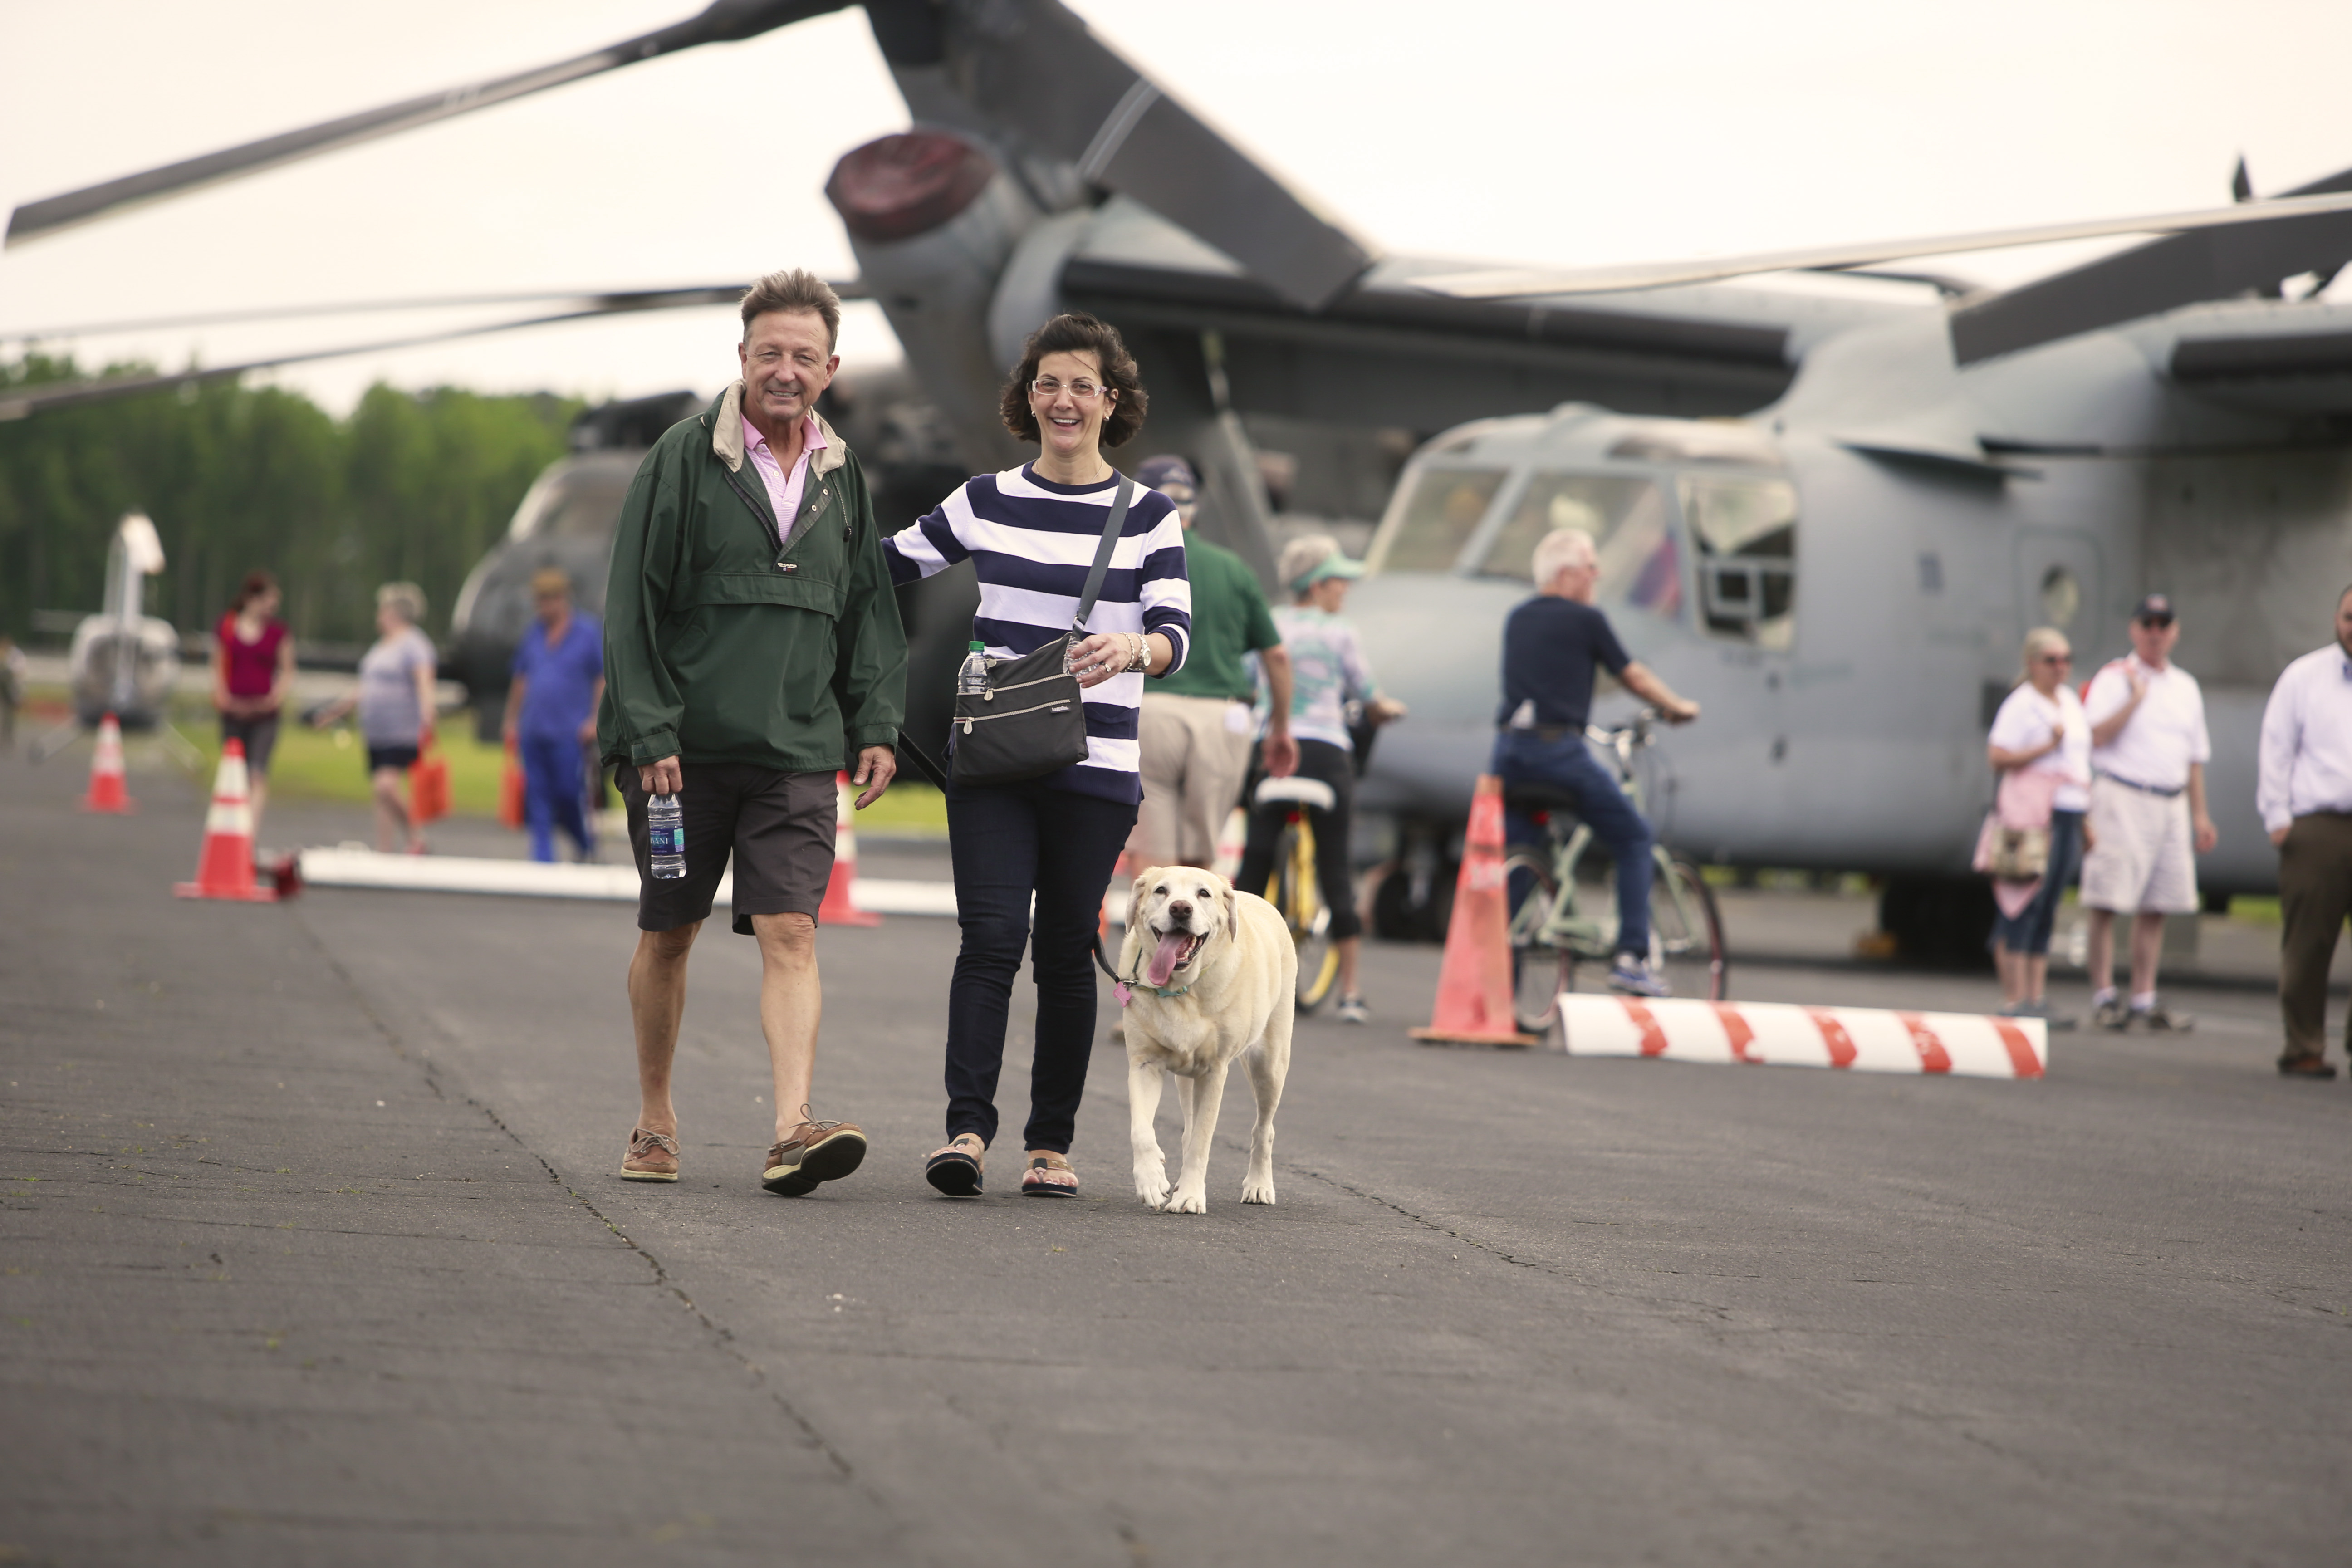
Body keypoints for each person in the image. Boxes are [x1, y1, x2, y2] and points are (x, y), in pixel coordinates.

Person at [598, 268, 906, 1195]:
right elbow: (631, 608)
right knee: (671, 933)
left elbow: (866, 609)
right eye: (768, 352)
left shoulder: (842, 478)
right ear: (741, 358)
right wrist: (649, 729)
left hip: (800, 751)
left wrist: (876, 719)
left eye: (802, 356)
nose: (784, 369)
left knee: (793, 933)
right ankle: (654, 1121)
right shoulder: (681, 459)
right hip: (678, 757)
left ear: (831, 368)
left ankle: (791, 1129)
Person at [884, 313, 1191, 1200]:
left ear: (1112, 402)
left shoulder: (1148, 517)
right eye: (1046, 383)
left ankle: (1050, 1145)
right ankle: (967, 1133)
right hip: (991, 763)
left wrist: (1136, 651)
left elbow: (1177, 633)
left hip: (1095, 771)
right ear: (1027, 399)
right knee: (989, 940)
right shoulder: (983, 500)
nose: (1063, 399)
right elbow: (888, 566)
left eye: (1081, 385)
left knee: (1064, 950)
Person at [1490, 527, 1700, 998]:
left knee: (1520, 860)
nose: (1597, 575)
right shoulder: (1586, 619)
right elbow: (1634, 676)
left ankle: (1497, 975)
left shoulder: (1518, 618)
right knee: (1633, 837)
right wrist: (1676, 706)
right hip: (1557, 751)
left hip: (1510, 753)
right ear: (1566, 574)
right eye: (1590, 567)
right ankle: (1631, 957)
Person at [1234, 535, 1404, 1024]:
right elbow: (1367, 692)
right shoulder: (1341, 633)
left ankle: (1233, 973)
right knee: (1336, 869)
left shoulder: (1269, 622)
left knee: (1253, 867)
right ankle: (1350, 992)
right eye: (1338, 581)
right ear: (1317, 585)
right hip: (1327, 752)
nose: (1345, 590)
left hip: (1272, 749)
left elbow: (1248, 679)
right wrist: (1385, 708)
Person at [1127, 454, 1297, 869]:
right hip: (1222, 720)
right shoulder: (1234, 569)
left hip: (1151, 712)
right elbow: (1275, 654)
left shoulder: (1128, 562)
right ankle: (1197, 936)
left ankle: (1152, 935)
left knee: (1154, 865)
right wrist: (1279, 730)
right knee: (1201, 864)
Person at [2080, 593, 2215, 1031]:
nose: (2155, 633)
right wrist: (2134, 699)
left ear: (2174, 632)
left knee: (2158, 904)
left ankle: (2143, 997)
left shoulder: (2186, 687)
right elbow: (2094, 737)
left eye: (2163, 625)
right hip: (2123, 794)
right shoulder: (2114, 678)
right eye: (2147, 624)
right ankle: (2104, 994)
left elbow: (2194, 756)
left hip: (2170, 799)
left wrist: (2200, 814)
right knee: (2106, 899)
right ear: (2134, 630)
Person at [2255, 584, 2352, 1079]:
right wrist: (2278, 818)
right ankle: (2304, 1045)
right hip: (2319, 826)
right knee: (2309, 945)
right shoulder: (2304, 677)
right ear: (2336, 618)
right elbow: (2277, 746)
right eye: (2349, 617)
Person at [1984, 627, 2092, 1027]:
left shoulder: (2068, 702)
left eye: (2066, 659)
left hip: (2067, 810)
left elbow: (2079, 767)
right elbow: (1997, 756)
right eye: (2051, 660)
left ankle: (2036, 996)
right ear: (2032, 664)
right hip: (2029, 815)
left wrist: (2087, 820)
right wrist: (2045, 747)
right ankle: (2013, 998)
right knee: (2021, 901)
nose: (2060, 668)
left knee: (2048, 903)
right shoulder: (2021, 704)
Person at [310, 582, 436, 855]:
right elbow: (365, 688)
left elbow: (424, 679)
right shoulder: (381, 648)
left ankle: (416, 836)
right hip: (376, 731)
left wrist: (428, 711)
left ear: (395, 612)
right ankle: (385, 848)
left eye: (383, 609)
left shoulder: (415, 644)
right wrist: (334, 712)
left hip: (400, 729)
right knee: (380, 793)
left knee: (387, 786)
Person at [504, 568, 605, 863]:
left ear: (563, 599)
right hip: (533, 729)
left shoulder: (586, 632)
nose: (545, 606)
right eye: (540, 600)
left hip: (570, 730)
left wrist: (596, 718)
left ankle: (585, 844)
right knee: (537, 796)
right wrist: (511, 720)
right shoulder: (533, 633)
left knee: (567, 792)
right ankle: (543, 858)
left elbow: (601, 677)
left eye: (550, 599)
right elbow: (521, 679)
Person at [211, 570, 297, 844]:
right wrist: (222, 696)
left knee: (257, 772)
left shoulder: (278, 632)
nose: (272, 606)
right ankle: (230, 827)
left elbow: (287, 670)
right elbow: (218, 666)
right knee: (234, 773)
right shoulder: (228, 627)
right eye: (268, 599)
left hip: (264, 714)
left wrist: (276, 697)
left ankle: (249, 832)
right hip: (233, 711)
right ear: (252, 598)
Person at [0, 632, 27, 746]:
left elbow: (19, 671)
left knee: (10, 714)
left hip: (11, 687)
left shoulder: (16, 655)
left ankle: (8, 736)